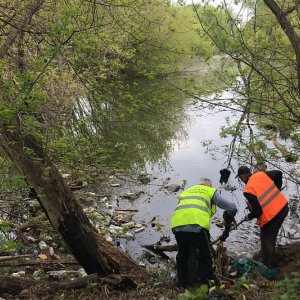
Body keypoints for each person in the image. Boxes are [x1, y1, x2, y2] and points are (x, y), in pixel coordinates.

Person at [170, 178, 237, 287]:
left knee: (182, 254)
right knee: (206, 257)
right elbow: (232, 207)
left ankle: (181, 283)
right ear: (209, 186)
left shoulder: (187, 191)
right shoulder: (210, 191)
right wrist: (229, 218)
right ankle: (205, 285)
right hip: (197, 226)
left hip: (177, 225)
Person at [236, 165, 289, 268]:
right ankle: (273, 258)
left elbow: (258, 211)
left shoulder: (248, 190)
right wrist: (277, 190)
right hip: (283, 208)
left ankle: (266, 267)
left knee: (265, 241)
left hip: (271, 216)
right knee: (272, 235)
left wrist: (249, 216)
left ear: (242, 177)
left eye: (240, 178)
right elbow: (279, 173)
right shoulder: (260, 174)